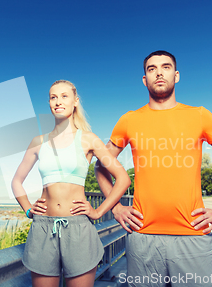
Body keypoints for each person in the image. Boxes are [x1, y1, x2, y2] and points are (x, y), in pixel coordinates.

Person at [95, 51, 212, 287]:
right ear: (144, 79)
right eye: (151, 69)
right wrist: (115, 208)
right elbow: (101, 165)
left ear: (176, 75)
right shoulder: (129, 119)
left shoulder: (200, 115)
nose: (159, 72)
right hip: (142, 238)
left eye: (166, 67)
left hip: (193, 237)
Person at [12, 80, 131, 287]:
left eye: (64, 96)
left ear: (75, 101)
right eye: (53, 97)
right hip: (42, 228)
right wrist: (29, 210)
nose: (58, 101)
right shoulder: (38, 142)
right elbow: (16, 181)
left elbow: (123, 178)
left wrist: (98, 211)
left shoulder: (88, 140)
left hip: (78, 228)